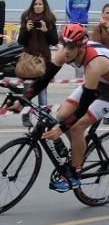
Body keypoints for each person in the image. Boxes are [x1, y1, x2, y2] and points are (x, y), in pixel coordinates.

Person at [17, 24, 109, 192]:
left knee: (77, 128)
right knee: (60, 115)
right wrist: (22, 101)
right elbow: (44, 80)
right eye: (63, 44)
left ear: (81, 47)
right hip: (95, 85)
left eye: (71, 47)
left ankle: (74, 174)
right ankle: (76, 152)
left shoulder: (94, 64)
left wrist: (61, 130)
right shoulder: (63, 53)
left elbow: (83, 106)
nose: (66, 50)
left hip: (106, 91)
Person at [16, 0, 58, 128]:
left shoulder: (50, 19)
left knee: (42, 88)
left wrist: (47, 30)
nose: (37, 6)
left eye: (40, 4)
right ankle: (26, 115)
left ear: (44, 6)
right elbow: (21, 41)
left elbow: (55, 41)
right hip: (29, 57)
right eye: (35, 4)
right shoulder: (26, 17)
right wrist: (26, 30)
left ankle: (42, 115)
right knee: (28, 88)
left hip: (44, 58)